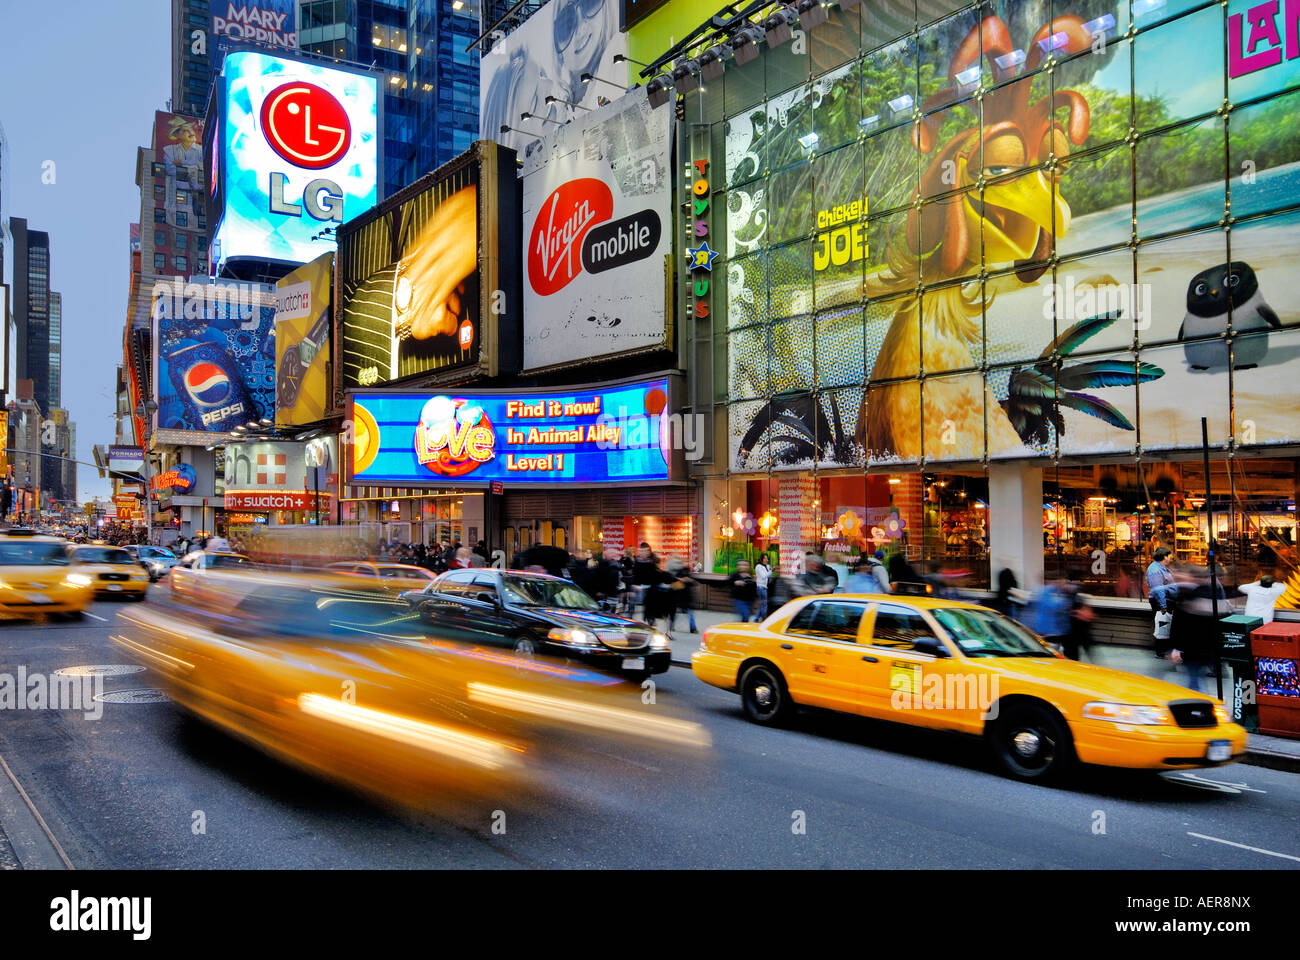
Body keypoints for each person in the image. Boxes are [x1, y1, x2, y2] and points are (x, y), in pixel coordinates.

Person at [1027, 579, 1072, 650]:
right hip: (1051, 630)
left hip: (1042, 628)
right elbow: (1056, 605)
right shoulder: (1050, 592)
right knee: (1051, 649)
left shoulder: (1041, 591)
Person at [754, 554, 772, 619]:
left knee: (763, 605)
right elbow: (764, 576)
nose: (766, 560)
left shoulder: (767, 566)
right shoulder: (758, 566)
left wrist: (771, 570)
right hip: (761, 587)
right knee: (764, 605)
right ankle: (764, 619)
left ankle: (756, 619)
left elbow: (769, 575)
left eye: (767, 558)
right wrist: (771, 571)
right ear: (761, 559)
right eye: (765, 558)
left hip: (765, 587)